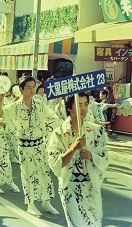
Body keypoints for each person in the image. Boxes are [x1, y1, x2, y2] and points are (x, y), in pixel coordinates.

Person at [0, 76, 62, 216]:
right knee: (28, 174)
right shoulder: (15, 107)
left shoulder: (39, 103)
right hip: (25, 146)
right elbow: (0, 115)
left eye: (34, 87)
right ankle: (30, 204)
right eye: (29, 87)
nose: (32, 90)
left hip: (40, 145)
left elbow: (53, 118)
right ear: (21, 89)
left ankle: (46, 202)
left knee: (45, 174)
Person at [47, 92, 109, 227]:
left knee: (94, 223)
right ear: (69, 108)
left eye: (86, 104)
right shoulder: (59, 133)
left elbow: (104, 156)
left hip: (91, 187)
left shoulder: (97, 131)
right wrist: (73, 148)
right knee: (77, 224)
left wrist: (92, 156)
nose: (83, 109)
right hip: (71, 188)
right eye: (79, 105)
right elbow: (55, 163)